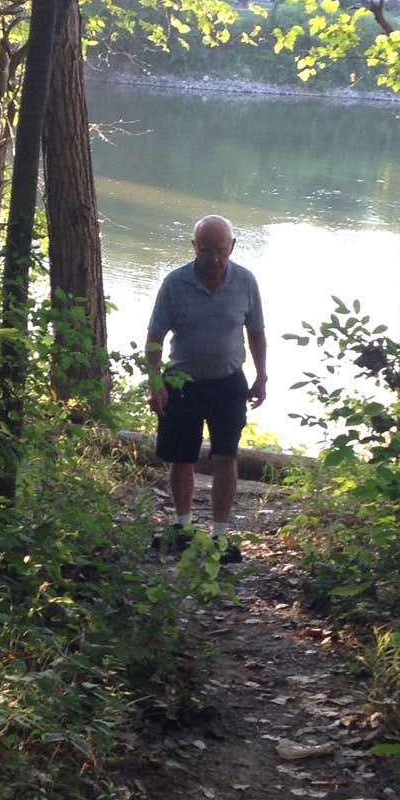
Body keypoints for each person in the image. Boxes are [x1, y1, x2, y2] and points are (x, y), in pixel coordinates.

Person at [145, 214, 267, 561]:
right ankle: (182, 527)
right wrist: (155, 383)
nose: (214, 258)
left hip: (228, 383)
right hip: (181, 383)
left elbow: (256, 331)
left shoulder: (246, 282)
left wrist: (261, 375)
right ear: (194, 247)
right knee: (181, 457)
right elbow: (154, 337)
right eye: (206, 250)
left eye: (220, 250)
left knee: (226, 456)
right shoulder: (175, 283)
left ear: (232, 247)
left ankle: (220, 535)